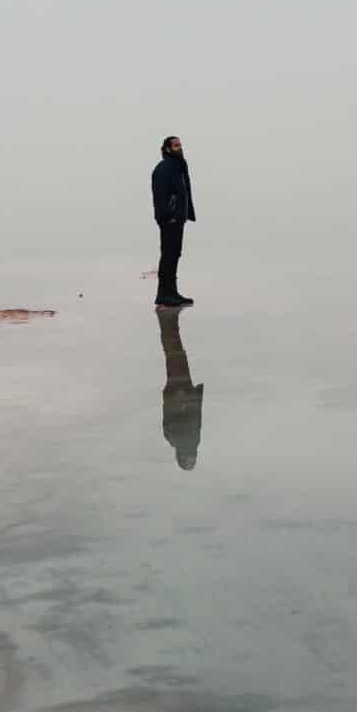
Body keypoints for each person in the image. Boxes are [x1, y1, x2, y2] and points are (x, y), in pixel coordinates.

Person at [150, 135, 196, 306]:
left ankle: (172, 292)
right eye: (176, 145)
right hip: (169, 220)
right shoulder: (163, 169)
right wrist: (167, 216)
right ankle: (163, 295)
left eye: (180, 145)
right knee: (168, 256)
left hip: (178, 218)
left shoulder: (179, 166)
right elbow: (160, 196)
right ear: (167, 148)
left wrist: (184, 214)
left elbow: (184, 192)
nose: (180, 148)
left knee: (175, 255)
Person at [157, 306, 204, 470]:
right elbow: (197, 417)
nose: (193, 457)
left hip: (179, 390)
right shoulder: (183, 440)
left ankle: (166, 317)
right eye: (193, 460)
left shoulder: (175, 438)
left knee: (174, 352)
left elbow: (172, 411)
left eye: (190, 460)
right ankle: (168, 318)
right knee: (175, 352)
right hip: (183, 390)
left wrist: (182, 397)